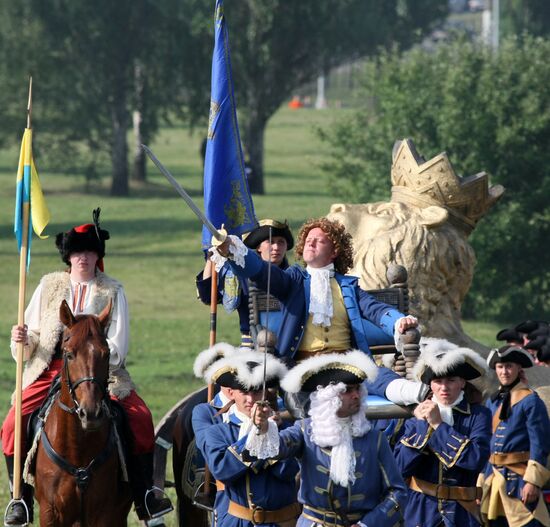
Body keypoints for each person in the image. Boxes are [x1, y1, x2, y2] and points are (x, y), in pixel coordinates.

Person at [1, 209, 172, 525]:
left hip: (101, 369)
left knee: (141, 419)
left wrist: (99, 360)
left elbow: (119, 340)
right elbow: (35, 335)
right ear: (69, 256)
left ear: (98, 256)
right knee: (12, 425)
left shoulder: (113, 290)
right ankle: (20, 499)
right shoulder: (49, 286)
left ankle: (145, 494)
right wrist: (22, 339)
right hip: (52, 366)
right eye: (78, 252)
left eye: (90, 251)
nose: (83, 258)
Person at [209, 216, 425, 405]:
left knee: (380, 377)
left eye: (319, 240)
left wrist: (398, 321)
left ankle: (422, 393)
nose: (311, 243)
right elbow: (265, 273)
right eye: (308, 240)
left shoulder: (348, 286)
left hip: (347, 365)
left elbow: (375, 309)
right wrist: (234, 251)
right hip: (304, 368)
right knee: (294, 388)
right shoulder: (294, 279)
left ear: (334, 252)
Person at [248, 350, 409, 527]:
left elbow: (398, 493)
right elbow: (277, 448)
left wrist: (367, 524)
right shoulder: (305, 430)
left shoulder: (375, 439)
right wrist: (262, 427)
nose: (356, 395)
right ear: (329, 396)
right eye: (347, 390)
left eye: (357, 389)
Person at [192, 349, 300, 526]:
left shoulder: (285, 428)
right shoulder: (218, 431)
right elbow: (223, 471)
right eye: (244, 391)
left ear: (265, 393)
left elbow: (287, 471)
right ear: (231, 392)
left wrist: (270, 430)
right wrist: (256, 433)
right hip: (237, 521)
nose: (250, 399)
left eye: (256, 391)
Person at [394, 340, 492, 527]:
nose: (444, 388)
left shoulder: (479, 415)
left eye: (451, 381)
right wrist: (424, 426)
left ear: (462, 382)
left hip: (462, 514)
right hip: (420, 512)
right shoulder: (416, 419)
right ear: (430, 385)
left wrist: (439, 425)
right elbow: (399, 468)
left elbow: (475, 459)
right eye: (438, 381)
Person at [480, 345, 550, 527]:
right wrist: (481, 479)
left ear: (519, 368)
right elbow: (488, 443)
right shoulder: (493, 401)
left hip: (519, 481)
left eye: (509, 366)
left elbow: (540, 444)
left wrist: (533, 481)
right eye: (500, 367)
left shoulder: (531, 401)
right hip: (493, 479)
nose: (504, 371)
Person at [197, 219, 294, 348]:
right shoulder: (240, 274)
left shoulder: (296, 277)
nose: (276, 247)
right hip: (250, 349)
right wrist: (211, 256)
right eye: (270, 242)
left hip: (289, 348)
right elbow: (208, 296)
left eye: (281, 242)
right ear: (258, 247)